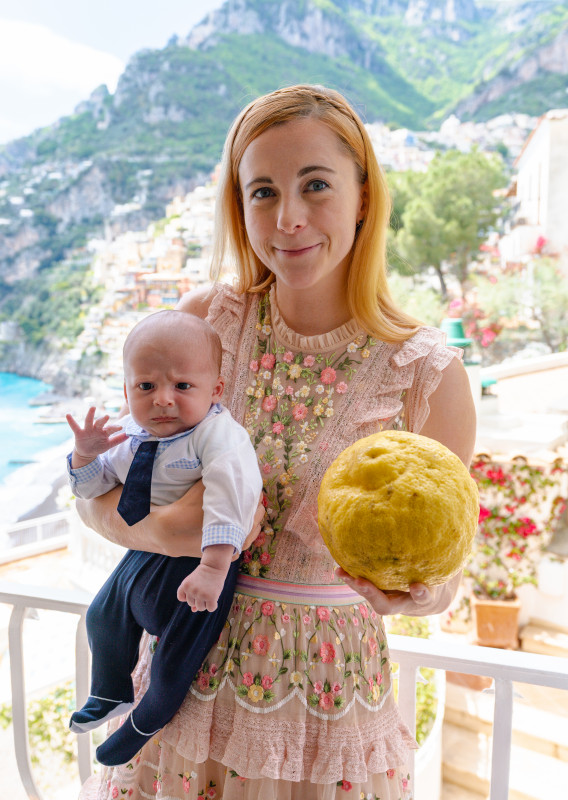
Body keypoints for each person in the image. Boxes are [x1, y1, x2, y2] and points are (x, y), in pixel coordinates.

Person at [76, 84, 476, 799]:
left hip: (328, 710)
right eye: (262, 192)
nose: (288, 219)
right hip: (183, 692)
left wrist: (405, 593)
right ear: (240, 206)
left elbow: (443, 578)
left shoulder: (429, 374)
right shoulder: (207, 323)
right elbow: (115, 487)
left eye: (314, 185)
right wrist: (165, 533)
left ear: (361, 196)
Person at [66, 310, 263, 766]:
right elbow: (94, 490)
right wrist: (85, 455)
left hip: (201, 560)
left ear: (215, 391)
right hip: (145, 552)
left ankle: (146, 720)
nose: (163, 401)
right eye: (146, 386)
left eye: (182, 386)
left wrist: (214, 567)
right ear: (127, 391)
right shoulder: (129, 434)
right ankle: (110, 692)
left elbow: (233, 498)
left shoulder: (217, 436)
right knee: (100, 616)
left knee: (176, 658)